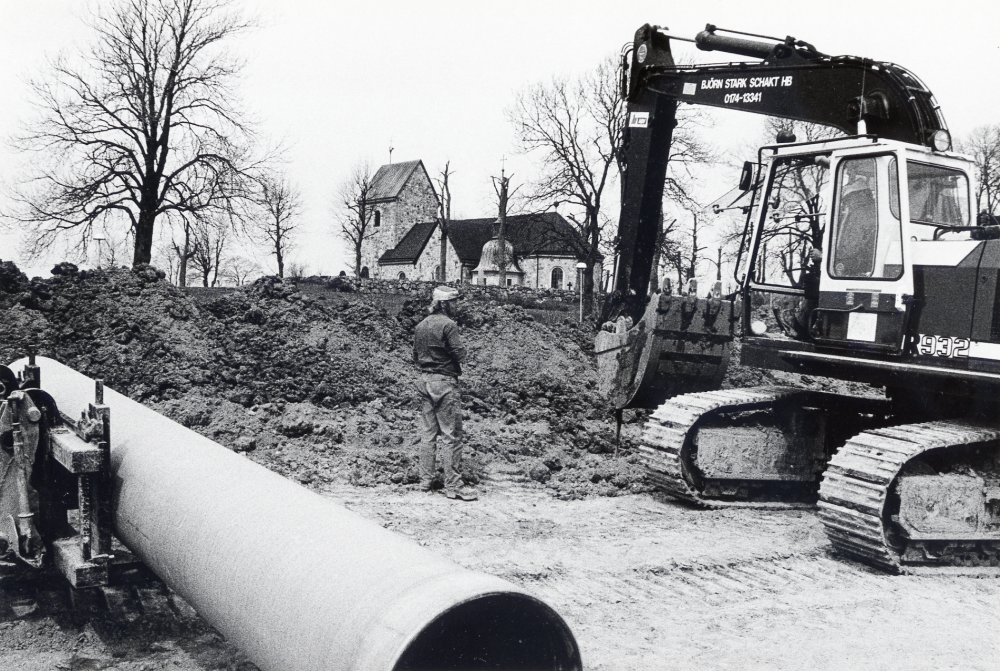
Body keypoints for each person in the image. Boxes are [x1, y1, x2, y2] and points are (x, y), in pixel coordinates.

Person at [412, 286, 478, 501]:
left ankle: (425, 482)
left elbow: (415, 354)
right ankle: (453, 486)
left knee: (428, 434)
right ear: (444, 304)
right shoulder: (449, 325)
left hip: (424, 380)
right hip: (444, 381)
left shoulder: (421, 325)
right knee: (451, 435)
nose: (456, 306)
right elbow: (460, 354)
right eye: (453, 302)